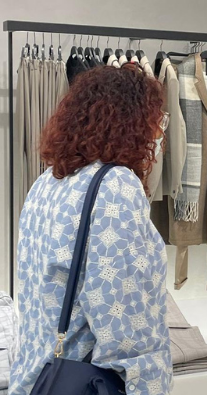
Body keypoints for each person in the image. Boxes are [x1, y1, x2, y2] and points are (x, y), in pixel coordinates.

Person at [10, 65, 173, 395]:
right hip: (84, 379)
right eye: (158, 119)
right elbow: (123, 317)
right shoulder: (115, 186)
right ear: (134, 122)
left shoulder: (48, 181)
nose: (159, 130)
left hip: (37, 373)